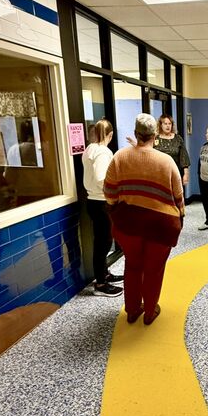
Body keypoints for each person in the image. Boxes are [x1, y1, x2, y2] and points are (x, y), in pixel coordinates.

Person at [103, 114, 185, 325]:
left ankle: (131, 310)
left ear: (136, 133)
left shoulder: (120, 157)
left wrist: (115, 210)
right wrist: (180, 215)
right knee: (154, 269)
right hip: (160, 225)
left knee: (132, 265)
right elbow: (178, 195)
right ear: (155, 134)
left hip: (128, 224)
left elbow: (109, 192)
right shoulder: (165, 161)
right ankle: (149, 311)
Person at [82, 119, 121, 296]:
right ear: (110, 135)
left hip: (93, 201)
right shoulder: (103, 152)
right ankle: (100, 283)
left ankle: (104, 273)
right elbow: (101, 178)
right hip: (101, 201)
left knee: (102, 240)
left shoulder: (89, 149)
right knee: (103, 242)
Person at [154, 114, 189, 199]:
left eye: (169, 123)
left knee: (176, 197)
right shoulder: (155, 138)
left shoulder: (178, 139)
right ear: (160, 125)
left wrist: (186, 174)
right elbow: (148, 153)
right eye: (165, 123)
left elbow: (184, 157)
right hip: (159, 174)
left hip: (175, 173)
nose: (167, 126)